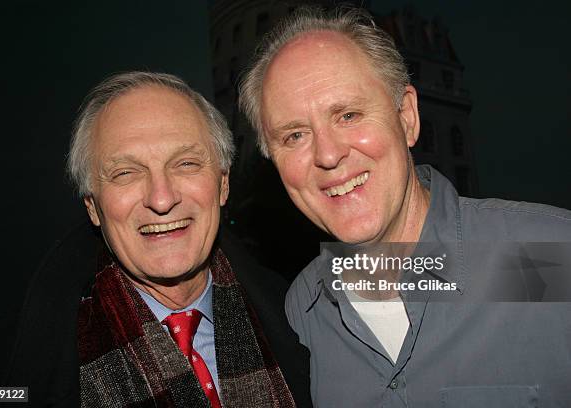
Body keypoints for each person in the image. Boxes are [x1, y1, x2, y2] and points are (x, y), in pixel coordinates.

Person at [238, 6, 571, 408]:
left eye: (348, 115)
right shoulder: (304, 310)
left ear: (407, 116)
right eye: (294, 135)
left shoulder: (551, 255)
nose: (327, 155)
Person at [0, 72, 311, 407]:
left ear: (223, 184)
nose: (161, 198)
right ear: (93, 206)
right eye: (125, 173)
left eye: (186, 164)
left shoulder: (301, 320)